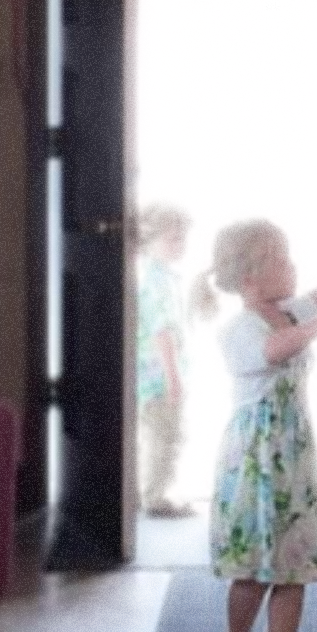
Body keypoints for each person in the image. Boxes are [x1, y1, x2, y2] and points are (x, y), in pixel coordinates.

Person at [197, 218, 317, 632]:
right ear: (248, 281)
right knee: (253, 571)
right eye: (279, 259)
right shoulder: (241, 330)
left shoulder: (288, 312)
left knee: (294, 568)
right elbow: (275, 351)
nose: (292, 265)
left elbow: (310, 301)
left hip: (294, 462)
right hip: (256, 464)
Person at [136, 202, 194, 517]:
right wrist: (174, 377)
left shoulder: (162, 277)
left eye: (183, 239)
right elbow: (162, 333)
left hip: (151, 375)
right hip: (157, 376)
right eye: (172, 240)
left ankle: (148, 490)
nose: (180, 246)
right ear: (148, 242)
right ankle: (157, 495)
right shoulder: (155, 282)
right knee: (166, 435)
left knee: (154, 434)